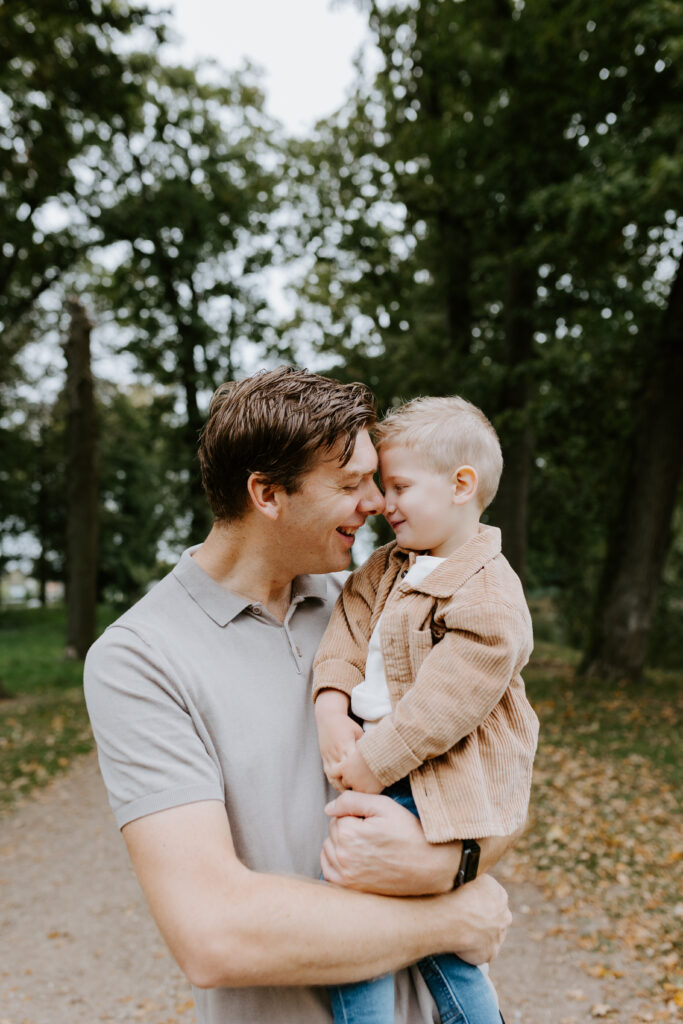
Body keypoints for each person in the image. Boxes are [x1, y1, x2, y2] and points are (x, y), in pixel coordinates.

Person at [84, 366, 514, 1024]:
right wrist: (456, 915)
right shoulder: (140, 657)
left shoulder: (375, 608)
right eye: (349, 484)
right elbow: (213, 934)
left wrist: (452, 862)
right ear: (267, 494)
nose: (375, 501)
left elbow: (500, 786)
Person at [313, 396, 539, 1024]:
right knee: (391, 918)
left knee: (358, 907)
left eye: (399, 486)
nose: (384, 503)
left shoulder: (488, 592)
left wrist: (372, 764)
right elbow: (348, 627)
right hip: (385, 768)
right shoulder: (388, 566)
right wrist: (333, 709)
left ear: (461, 485)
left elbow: (446, 702)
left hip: (433, 781)